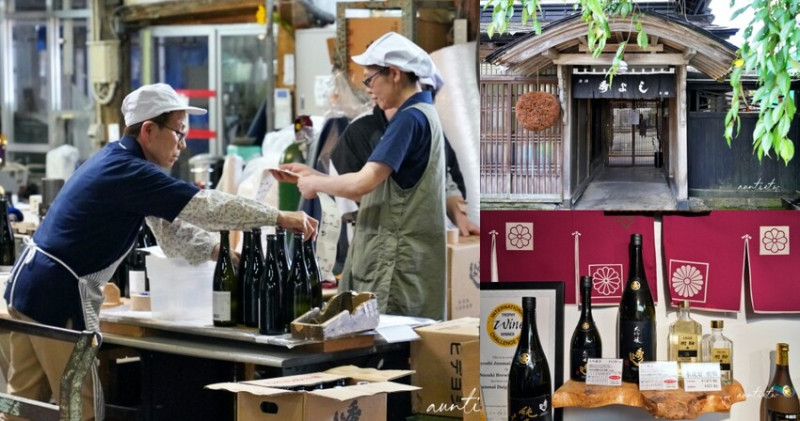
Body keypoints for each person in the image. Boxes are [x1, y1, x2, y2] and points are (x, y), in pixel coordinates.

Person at [2, 83, 317, 421]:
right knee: (82, 407)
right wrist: (279, 216)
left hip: (27, 288)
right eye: (179, 133)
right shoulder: (130, 171)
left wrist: (217, 251)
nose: (183, 144)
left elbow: (171, 230)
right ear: (149, 130)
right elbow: (205, 207)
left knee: (23, 404)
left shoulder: (117, 161)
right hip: (58, 295)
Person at [273, 32, 448, 321]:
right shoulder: (424, 113)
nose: (368, 89)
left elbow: (362, 182)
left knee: (383, 354)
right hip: (398, 259)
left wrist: (316, 184)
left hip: (393, 262)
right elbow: (370, 191)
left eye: (369, 79)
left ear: (394, 73)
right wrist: (312, 174)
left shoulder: (408, 119)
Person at [330, 103, 479, 236]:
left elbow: (444, 180)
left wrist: (460, 216)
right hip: (380, 244)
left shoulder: (429, 125)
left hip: (430, 241)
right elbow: (357, 192)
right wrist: (317, 182)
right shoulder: (360, 132)